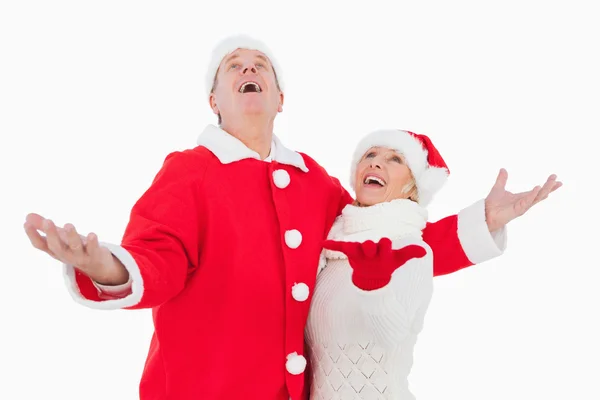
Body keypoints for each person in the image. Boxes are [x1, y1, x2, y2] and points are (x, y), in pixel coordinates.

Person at [23, 35, 560, 400]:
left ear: (282, 99)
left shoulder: (314, 182)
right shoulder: (190, 172)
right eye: (234, 65)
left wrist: (480, 222)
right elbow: (156, 260)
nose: (248, 68)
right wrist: (106, 266)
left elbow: (382, 247)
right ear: (214, 98)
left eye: (261, 66)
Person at [304, 129, 559, 399]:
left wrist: (374, 287)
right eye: (370, 154)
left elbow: (392, 336)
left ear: (412, 187)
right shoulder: (330, 252)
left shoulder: (412, 251)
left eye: (396, 159)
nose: (375, 162)